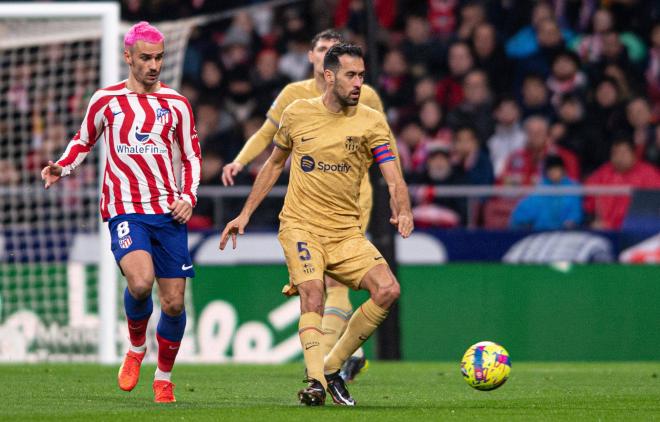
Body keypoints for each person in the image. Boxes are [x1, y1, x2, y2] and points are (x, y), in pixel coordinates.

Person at [219, 43, 413, 406]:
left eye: (361, 76)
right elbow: (274, 164)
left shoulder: (371, 120)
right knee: (313, 291)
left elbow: (392, 175)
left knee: (387, 290)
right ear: (329, 76)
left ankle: (332, 368)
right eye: (351, 75)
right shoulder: (297, 112)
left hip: (345, 232)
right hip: (301, 226)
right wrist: (244, 213)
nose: (358, 84)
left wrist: (403, 208)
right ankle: (314, 383)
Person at [40, 22, 201, 403]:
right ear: (127, 57)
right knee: (141, 283)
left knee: (174, 303)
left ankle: (163, 377)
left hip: (168, 212)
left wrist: (188, 197)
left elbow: (192, 156)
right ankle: (134, 346)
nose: (154, 65)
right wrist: (63, 166)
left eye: (159, 57)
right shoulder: (106, 100)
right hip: (125, 209)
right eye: (146, 58)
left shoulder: (176, 104)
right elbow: (84, 139)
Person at [584, 138, 660, 230]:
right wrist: (592, 222)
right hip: (606, 231)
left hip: (639, 232)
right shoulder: (601, 174)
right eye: (615, 153)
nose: (619, 157)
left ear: (633, 154)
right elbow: (588, 204)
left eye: (623, 153)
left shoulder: (650, 175)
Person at [510, 155, 582, 230]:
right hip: (541, 232)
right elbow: (524, 210)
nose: (553, 173)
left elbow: (575, 211)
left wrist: (572, 221)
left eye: (556, 169)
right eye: (550, 170)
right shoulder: (540, 190)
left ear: (562, 170)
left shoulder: (573, 188)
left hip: (566, 233)